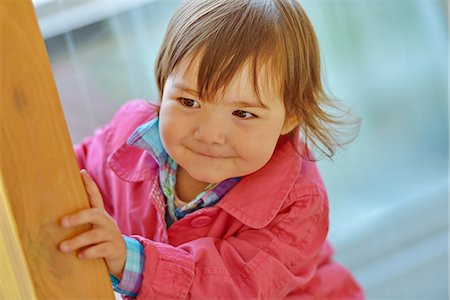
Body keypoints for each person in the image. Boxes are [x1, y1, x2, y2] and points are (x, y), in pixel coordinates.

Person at [58, 0, 364, 298]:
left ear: (292, 116)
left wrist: (130, 260)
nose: (209, 134)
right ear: (164, 87)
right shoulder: (127, 137)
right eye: (189, 102)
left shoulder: (298, 203)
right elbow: (68, 171)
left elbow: (233, 286)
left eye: (243, 114)